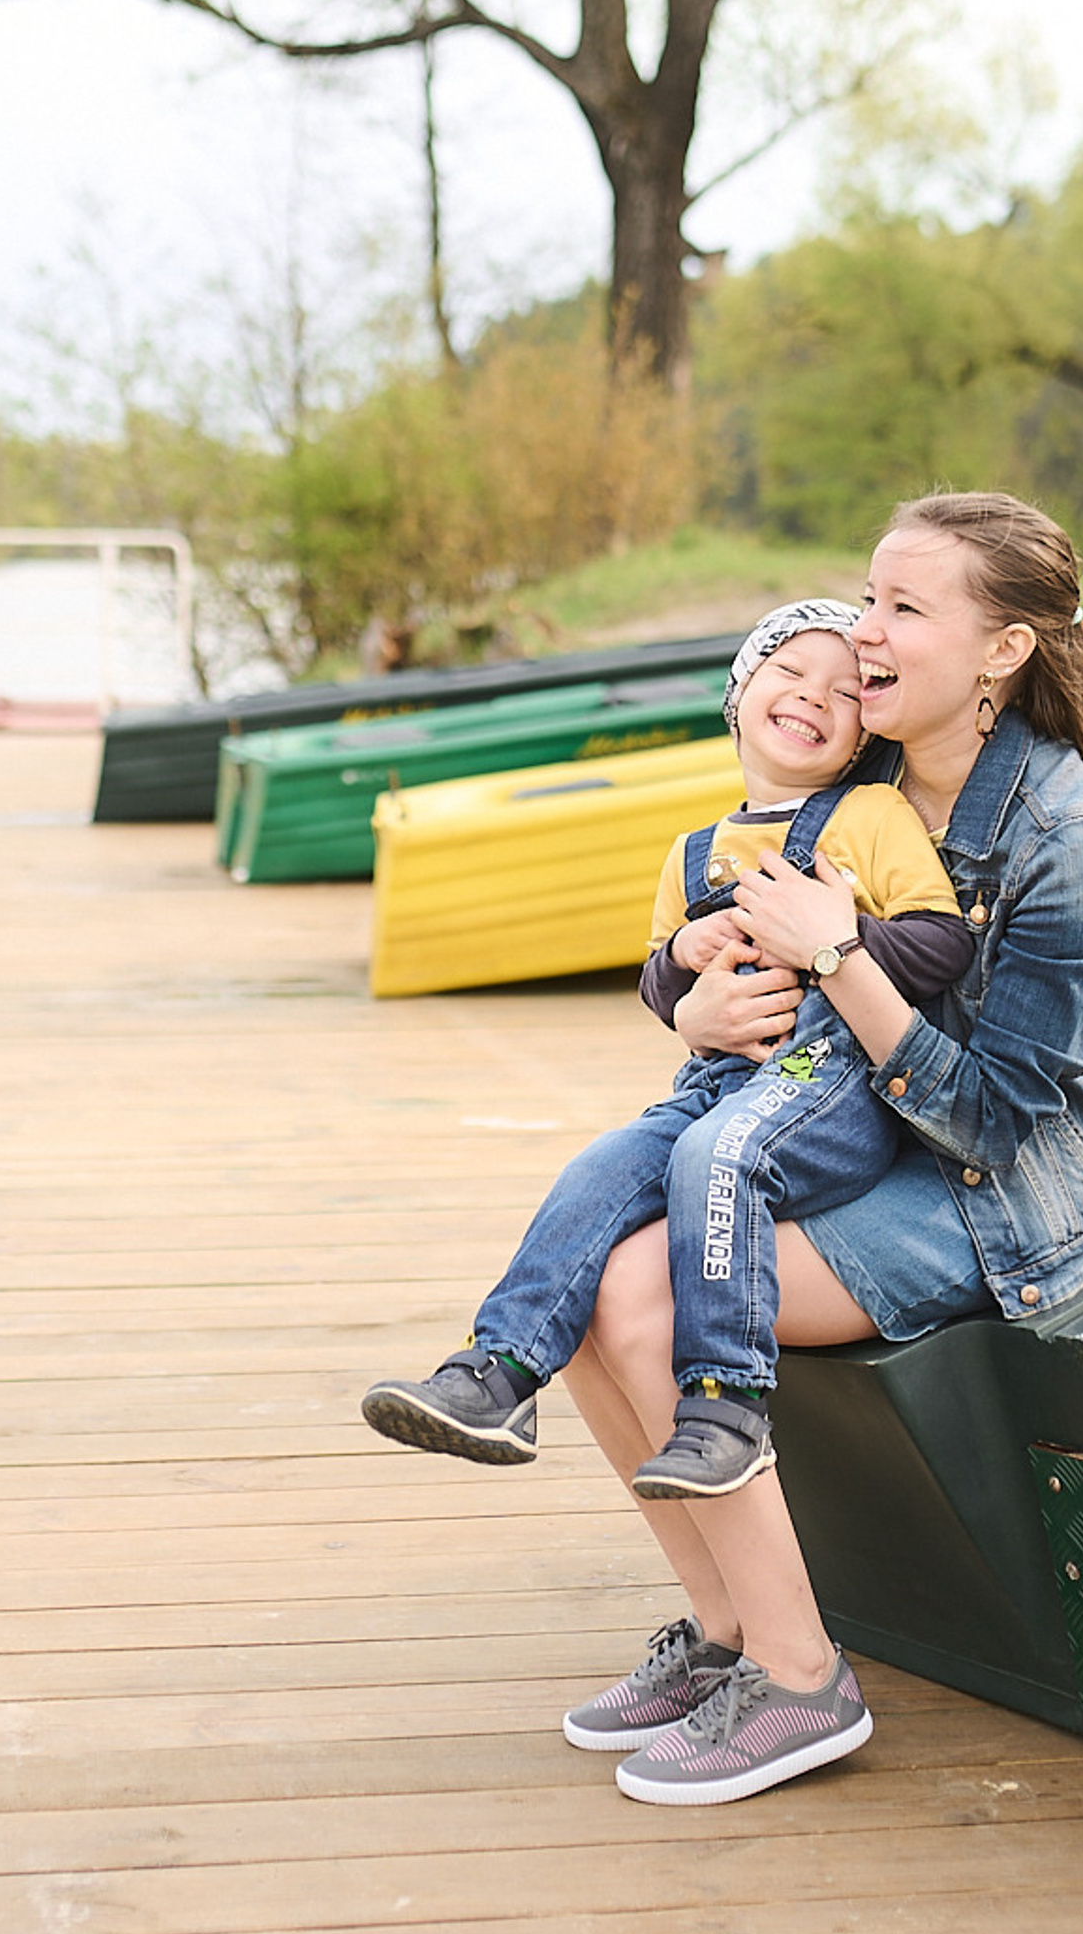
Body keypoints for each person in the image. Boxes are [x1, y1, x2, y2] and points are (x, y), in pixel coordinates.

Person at [557, 492, 1083, 1807]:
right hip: (847, 1131)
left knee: (646, 1313)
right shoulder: (859, 775)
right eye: (866, 596)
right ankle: (725, 1632)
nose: (861, 634)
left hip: (996, 1188)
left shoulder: (1069, 842)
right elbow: (719, 945)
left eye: (903, 610)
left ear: (1000, 652)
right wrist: (693, 1002)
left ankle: (802, 1677)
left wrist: (841, 953)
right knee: (599, 1280)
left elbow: (997, 1118)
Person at [359, 599, 972, 1498]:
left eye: (845, 692)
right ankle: (500, 1373)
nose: (813, 698)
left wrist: (831, 937)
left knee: (713, 1156)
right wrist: (683, 959)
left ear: (859, 737)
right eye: (789, 674)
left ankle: (726, 1407)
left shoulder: (872, 816)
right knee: (604, 1165)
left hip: (833, 1088)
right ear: (741, 694)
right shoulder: (693, 852)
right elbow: (662, 986)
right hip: (717, 1081)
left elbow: (943, 945)